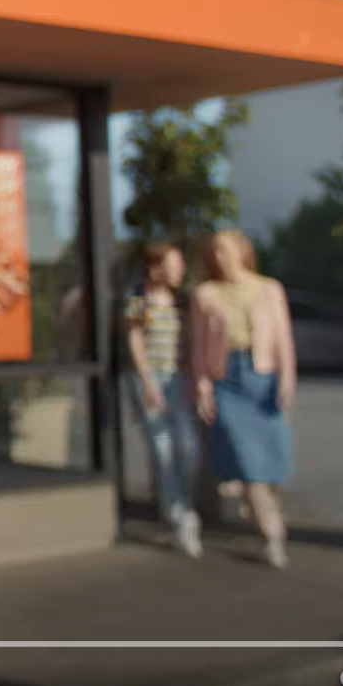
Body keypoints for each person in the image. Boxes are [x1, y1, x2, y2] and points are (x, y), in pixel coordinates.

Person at [188, 229, 297, 569]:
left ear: (241, 251)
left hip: (261, 375)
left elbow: (283, 338)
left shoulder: (268, 288)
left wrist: (287, 379)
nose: (220, 257)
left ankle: (268, 516)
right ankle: (272, 535)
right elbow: (198, 345)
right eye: (215, 252)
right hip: (226, 378)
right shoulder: (205, 294)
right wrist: (203, 386)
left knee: (272, 459)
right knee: (246, 462)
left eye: (226, 250)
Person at [124, 243, 202, 558]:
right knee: (162, 446)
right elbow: (134, 338)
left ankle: (185, 506)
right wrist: (146, 382)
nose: (180, 269)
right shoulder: (137, 299)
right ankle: (178, 516)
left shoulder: (182, 301)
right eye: (174, 263)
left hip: (177, 377)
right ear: (156, 269)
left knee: (188, 446)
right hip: (150, 377)